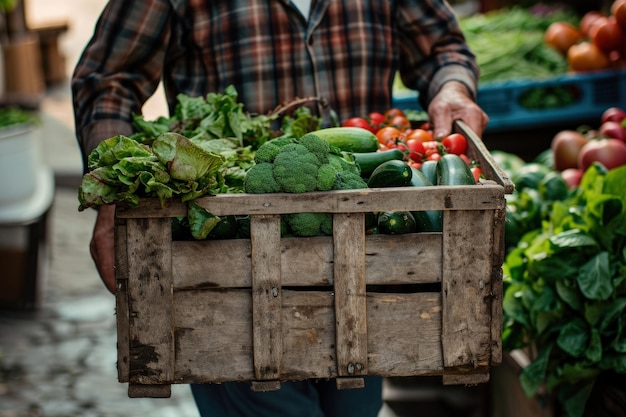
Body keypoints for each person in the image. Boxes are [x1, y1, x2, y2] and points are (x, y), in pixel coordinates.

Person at [72, 1, 488, 416]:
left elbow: (442, 48)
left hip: (366, 260)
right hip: (234, 263)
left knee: (355, 406)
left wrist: (452, 86)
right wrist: (113, 193)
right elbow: (108, 78)